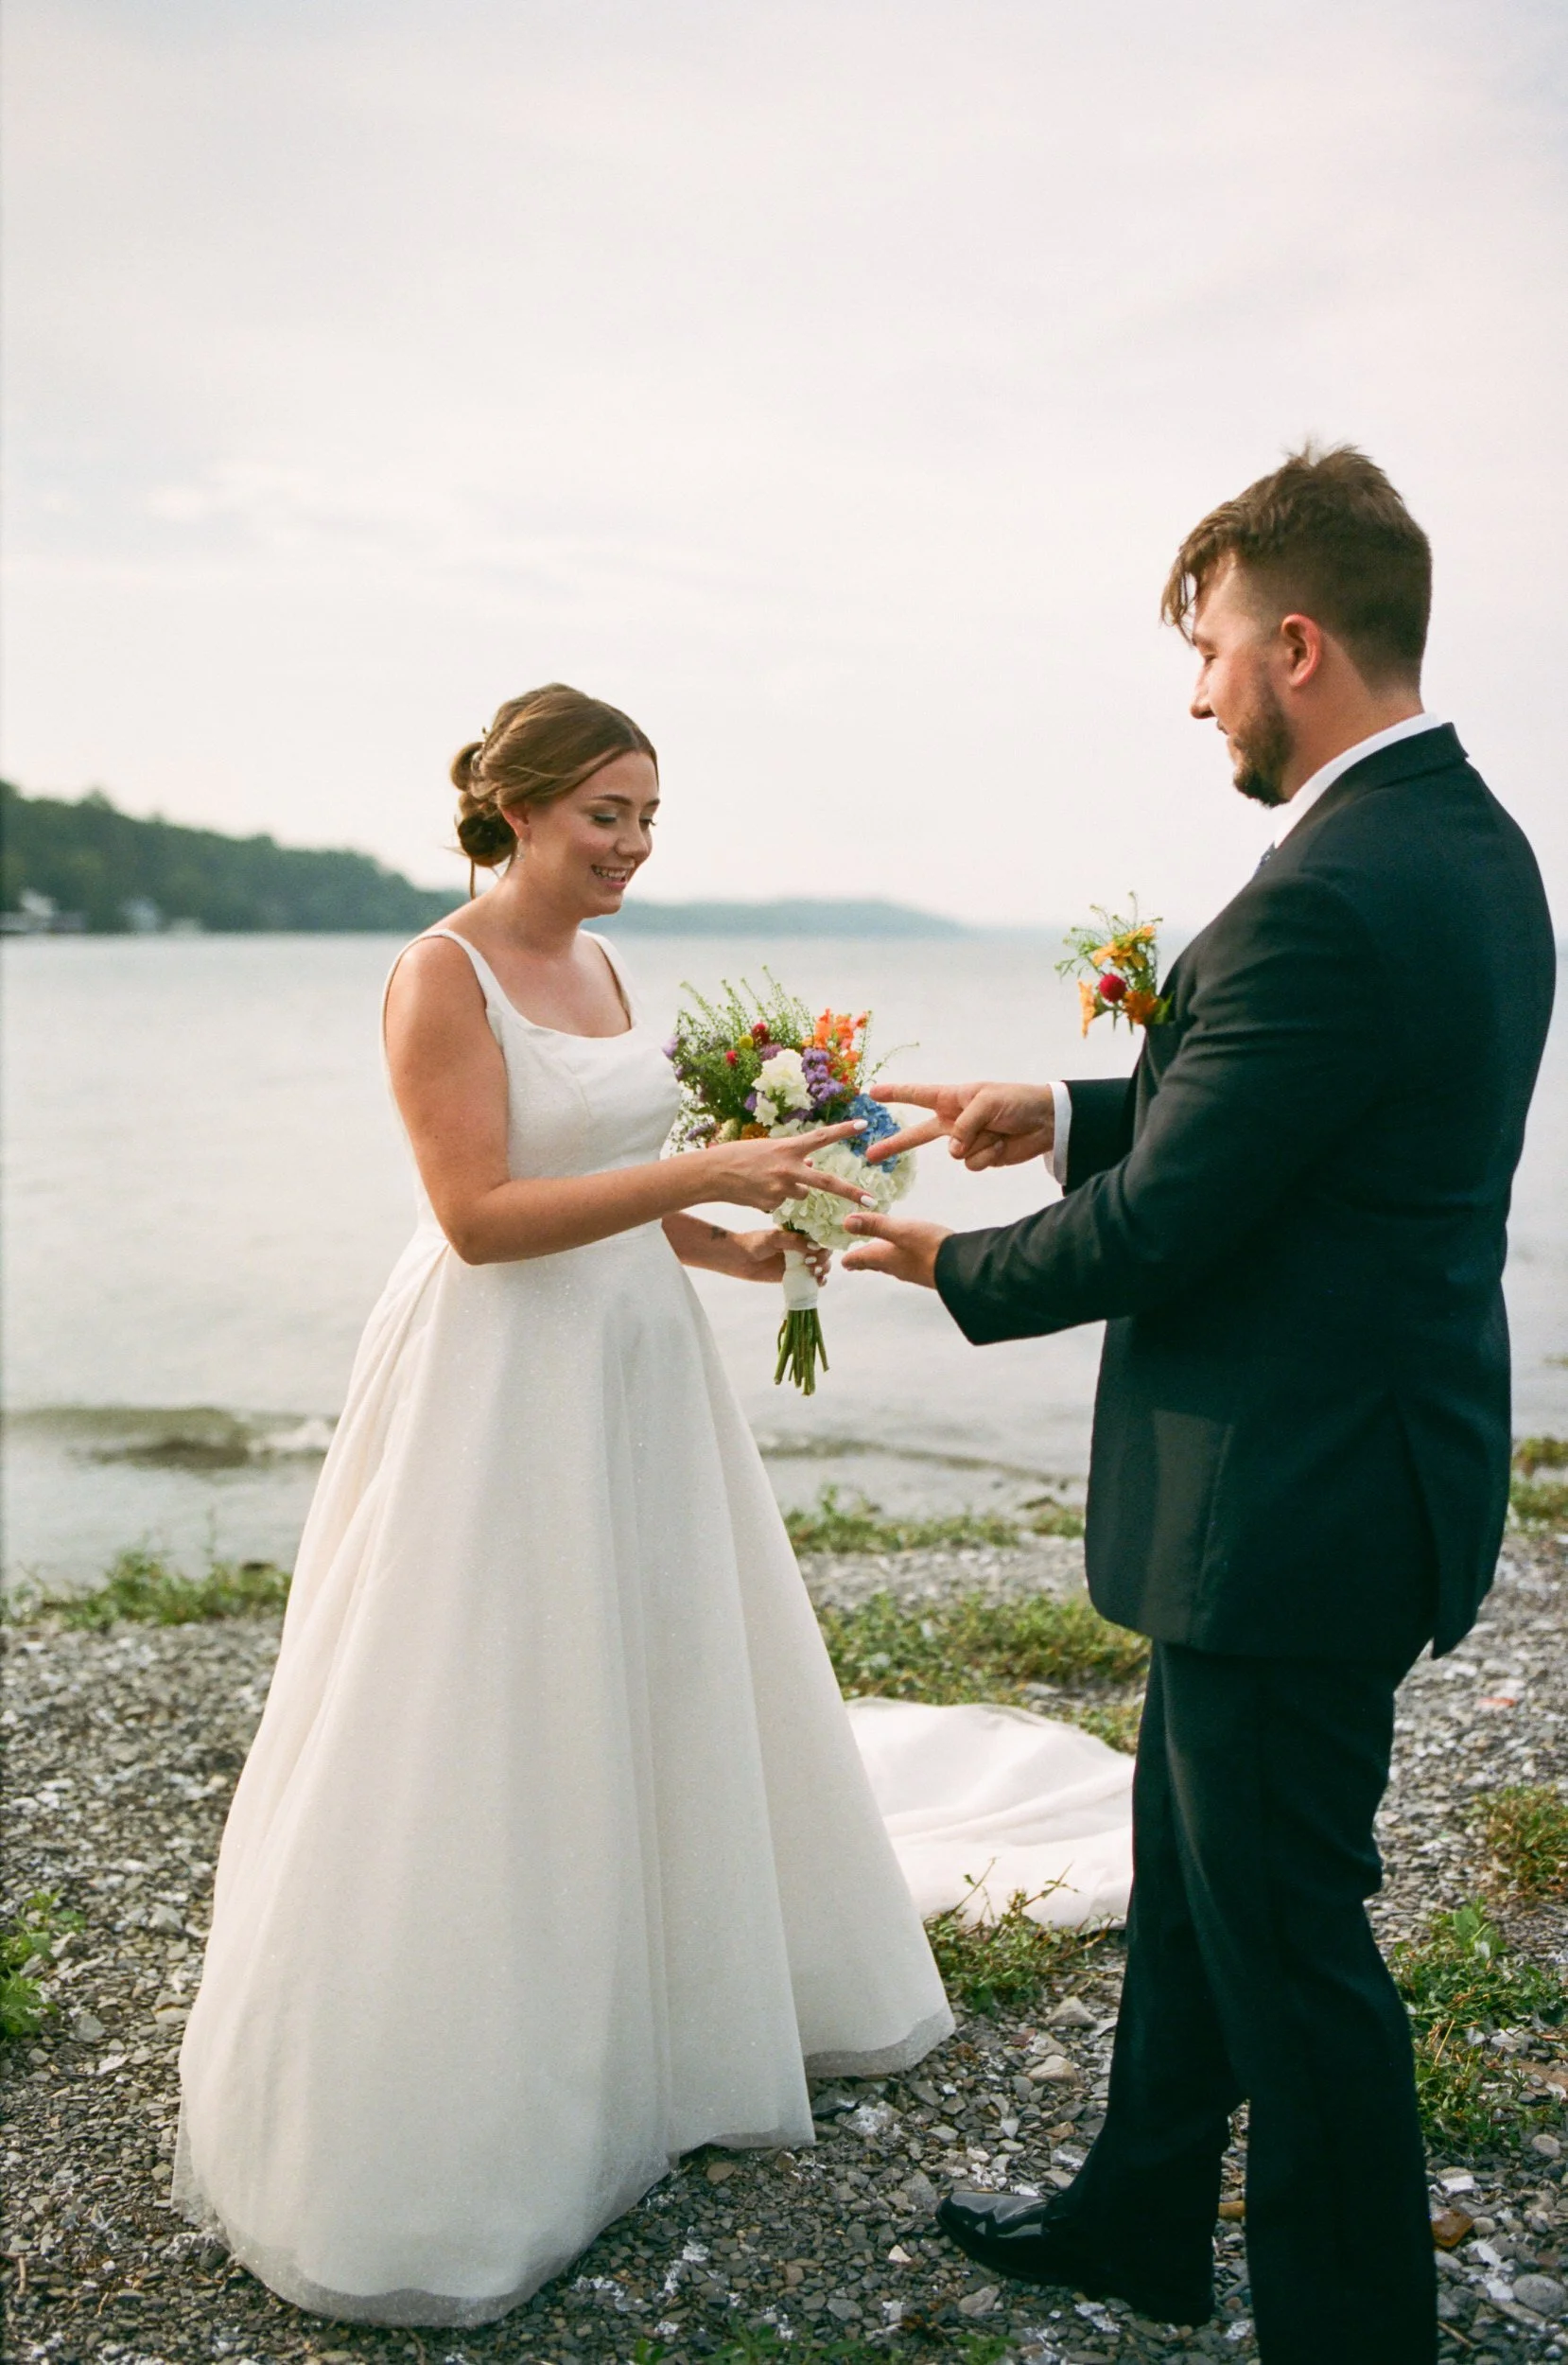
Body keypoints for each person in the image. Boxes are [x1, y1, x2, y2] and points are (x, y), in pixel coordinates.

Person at [840, 447, 1556, 2362]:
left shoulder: (1328, 887)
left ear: (1295, 644)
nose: (1197, 691)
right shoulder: (1461, 844)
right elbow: (1283, 1124)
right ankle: (1141, 2208)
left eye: (1213, 649)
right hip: (1343, 1475)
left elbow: (1167, 1226)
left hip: (1289, 1505)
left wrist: (935, 1257)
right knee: (1199, 1873)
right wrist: (1060, 1109)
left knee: (1295, 1953)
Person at [174, 683, 951, 2328]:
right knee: (491, 1701)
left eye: (651, 817)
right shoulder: (436, 973)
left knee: (654, 1667)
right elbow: (478, 1213)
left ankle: (664, 2029)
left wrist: (739, 1247)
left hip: (633, 1360)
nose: (633, 847)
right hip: (498, 1376)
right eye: (607, 814)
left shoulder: (601, 968)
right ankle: (473, 2099)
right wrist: (713, 1171)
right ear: (514, 807)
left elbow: (608, 1163)